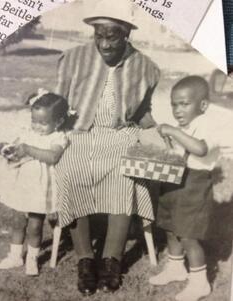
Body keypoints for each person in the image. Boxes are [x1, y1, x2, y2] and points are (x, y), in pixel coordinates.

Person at [55, 0, 160, 295]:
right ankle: (86, 259)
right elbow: (58, 103)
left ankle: (112, 259)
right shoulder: (73, 59)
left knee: (123, 178)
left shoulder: (145, 67)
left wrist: (159, 130)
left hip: (121, 135)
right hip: (79, 134)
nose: (104, 44)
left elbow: (143, 112)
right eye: (98, 36)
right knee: (72, 172)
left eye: (111, 36)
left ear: (127, 34)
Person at [149, 76, 219, 301]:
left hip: (194, 185)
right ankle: (176, 267)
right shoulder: (182, 127)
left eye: (184, 104)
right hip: (174, 183)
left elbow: (199, 149)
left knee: (188, 234)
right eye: (174, 104)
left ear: (203, 105)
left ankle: (200, 283)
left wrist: (174, 132)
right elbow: (177, 153)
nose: (178, 110)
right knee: (170, 228)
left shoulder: (208, 125)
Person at [0, 92, 69, 276]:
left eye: (43, 123)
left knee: (35, 225)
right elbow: (17, 150)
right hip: (22, 184)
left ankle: (32, 257)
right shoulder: (27, 133)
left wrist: (29, 149)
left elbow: (53, 157)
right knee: (17, 221)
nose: (37, 127)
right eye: (34, 121)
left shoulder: (57, 137)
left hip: (40, 187)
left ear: (58, 122)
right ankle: (15, 256)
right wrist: (8, 150)